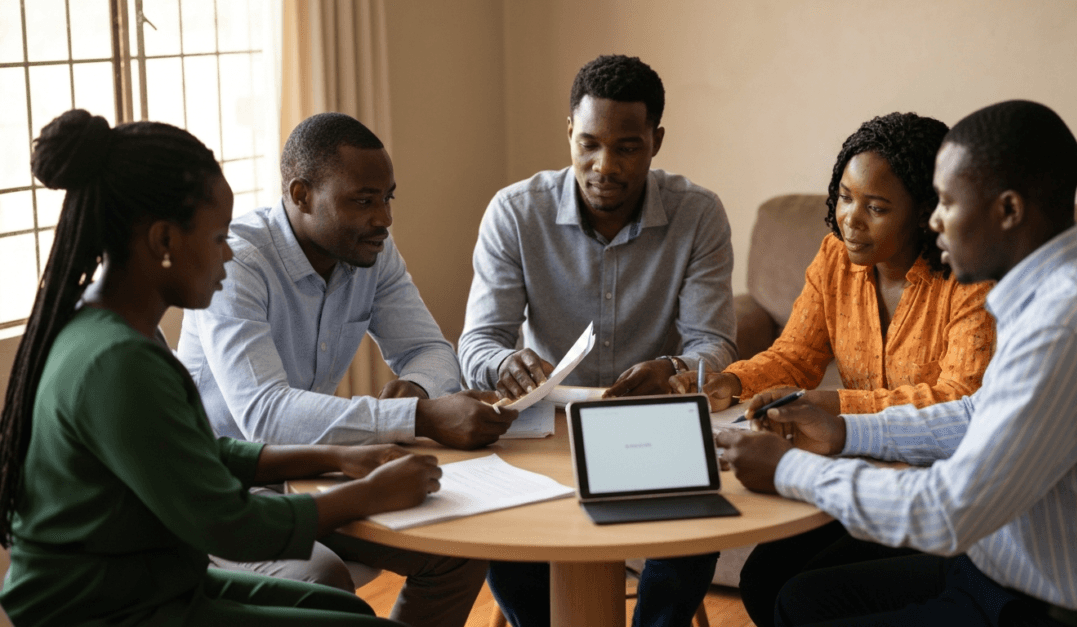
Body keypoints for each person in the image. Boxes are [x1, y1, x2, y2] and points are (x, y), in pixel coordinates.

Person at [718, 100, 1077, 626]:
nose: (935, 220)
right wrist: (841, 432)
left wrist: (789, 469)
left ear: (1008, 210)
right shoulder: (1059, 285)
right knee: (796, 598)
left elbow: (946, 513)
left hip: (1044, 607)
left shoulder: (1061, 328)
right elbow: (973, 415)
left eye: (945, 202)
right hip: (999, 566)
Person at [0, 109, 438, 625]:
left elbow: (200, 452)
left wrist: (336, 456)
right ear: (164, 241)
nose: (229, 256)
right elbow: (225, 522)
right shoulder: (116, 360)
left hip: (152, 580)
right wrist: (368, 493)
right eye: (217, 238)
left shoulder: (104, 327)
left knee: (336, 605)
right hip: (110, 607)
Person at [175, 112, 505, 625]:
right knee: (321, 578)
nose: (385, 219)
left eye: (388, 198)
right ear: (302, 194)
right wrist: (419, 417)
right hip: (225, 492)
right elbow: (263, 414)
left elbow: (433, 349)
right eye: (364, 200)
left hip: (320, 474)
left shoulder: (370, 250)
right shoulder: (237, 262)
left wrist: (418, 388)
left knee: (460, 551)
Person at [669, 111, 998, 624]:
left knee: (798, 594)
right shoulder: (835, 258)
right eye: (845, 197)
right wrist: (732, 381)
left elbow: (958, 399)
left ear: (923, 212)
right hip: (849, 467)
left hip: (927, 493)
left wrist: (837, 408)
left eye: (877, 207)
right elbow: (797, 355)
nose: (852, 219)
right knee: (763, 580)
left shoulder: (968, 277)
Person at [459, 55, 737, 627]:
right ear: (568, 133)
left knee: (699, 527)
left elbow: (715, 345)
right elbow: (478, 343)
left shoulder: (698, 214)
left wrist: (675, 368)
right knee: (496, 531)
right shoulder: (515, 212)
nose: (603, 166)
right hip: (548, 428)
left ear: (656, 141)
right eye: (587, 144)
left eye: (627, 147)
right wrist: (505, 364)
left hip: (652, 424)